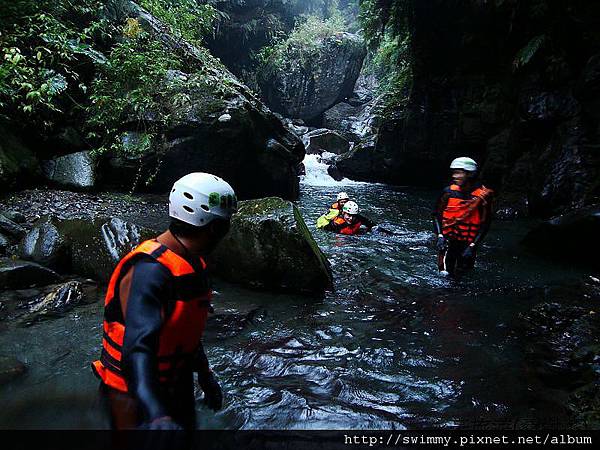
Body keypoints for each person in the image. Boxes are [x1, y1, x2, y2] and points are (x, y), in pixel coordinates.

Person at [92, 172, 237, 430]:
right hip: (133, 393)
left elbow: (186, 332)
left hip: (175, 382)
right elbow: (137, 348)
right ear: (214, 227)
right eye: (226, 224)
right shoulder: (150, 272)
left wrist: (205, 377)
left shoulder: (192, 263)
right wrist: (156, 413)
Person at [433, 157, 494, 277]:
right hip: (448, 242)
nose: (454, 176)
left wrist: (473, 246)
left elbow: (485, 224)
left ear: (470, 174)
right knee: (445, 276)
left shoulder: (482, 197)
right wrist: (440, 236)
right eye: (454, 173)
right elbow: (436, 215)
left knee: (463, 276)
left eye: (458, 173)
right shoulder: (448, 193)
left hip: (468, 244)